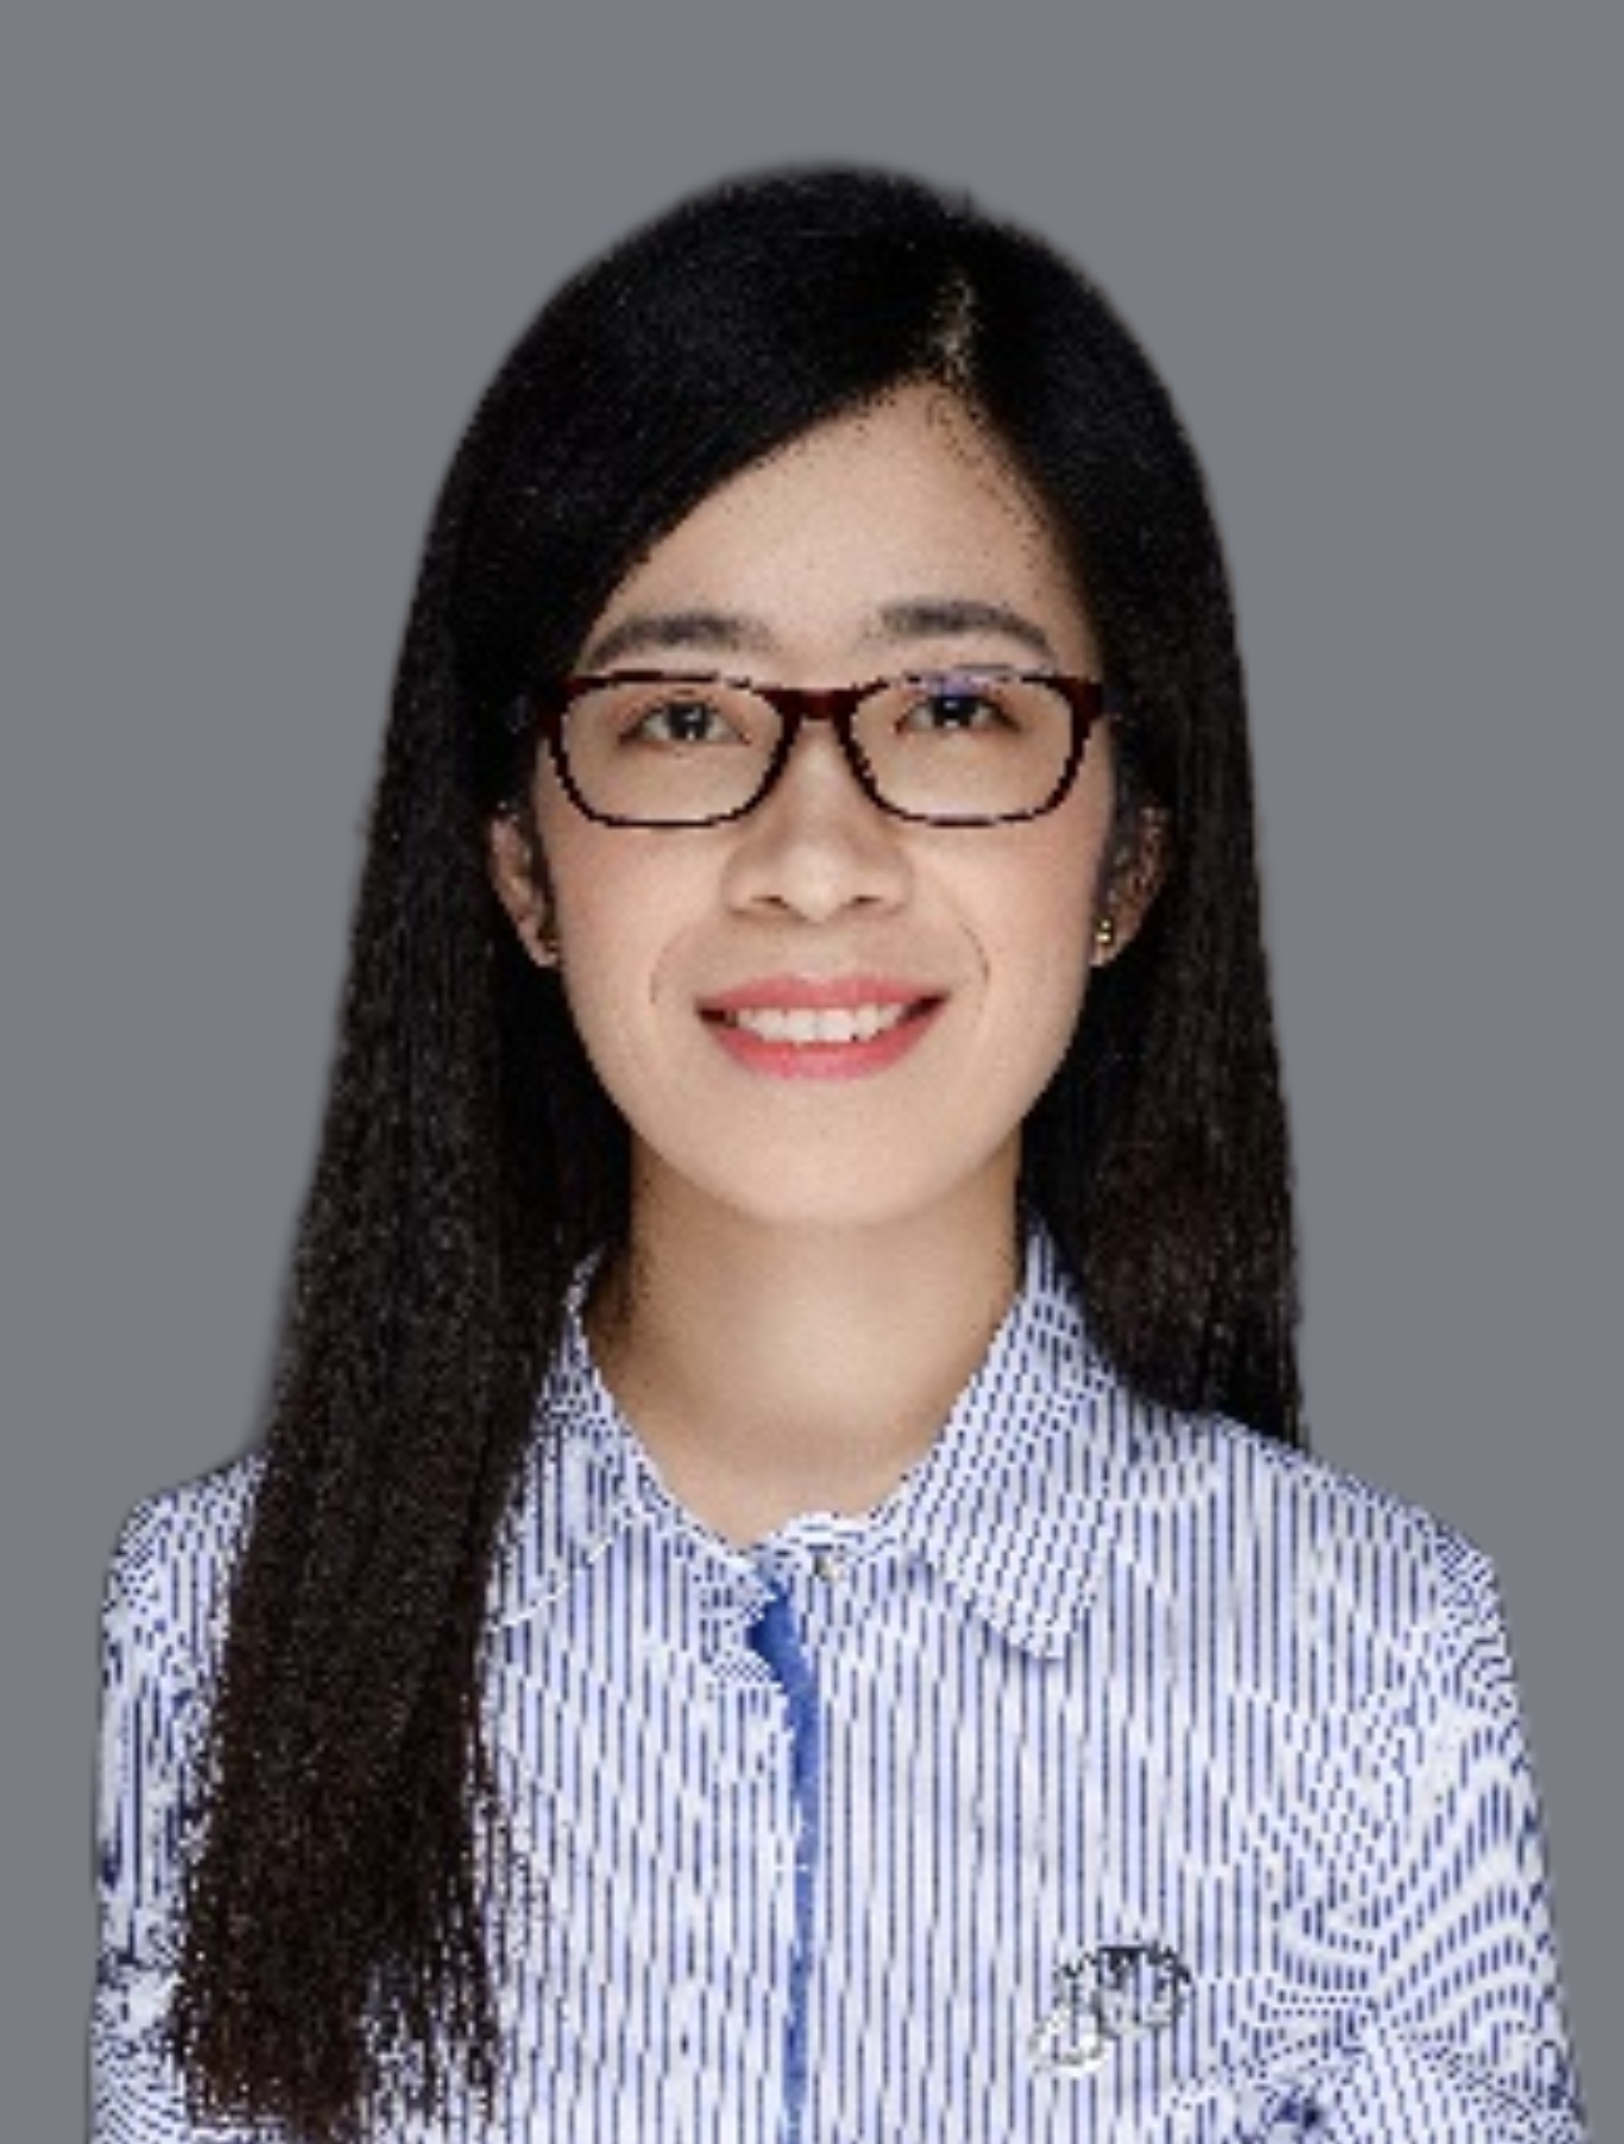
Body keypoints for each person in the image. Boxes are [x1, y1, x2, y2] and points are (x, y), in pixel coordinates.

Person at [92, 167, 1585, 2143]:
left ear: (1130, 853)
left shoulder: (1372, 1658)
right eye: (680, 717)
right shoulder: (210, 1636)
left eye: (954, 706)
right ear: (519, 860)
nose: (813, 857)